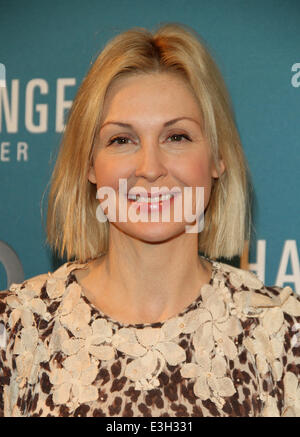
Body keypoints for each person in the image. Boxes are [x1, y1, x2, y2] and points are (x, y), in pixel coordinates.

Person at [0, 23, 299, 418]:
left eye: (176, 137)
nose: (151, 168)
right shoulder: (16, 329)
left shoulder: (282, 333)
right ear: (90, 165)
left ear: (217, 158)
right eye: (122, 140)